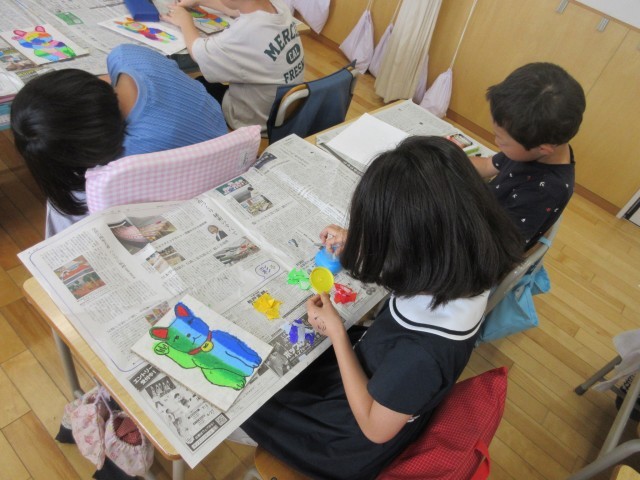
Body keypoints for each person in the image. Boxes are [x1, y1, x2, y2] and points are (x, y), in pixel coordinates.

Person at [240, 136, 524, 479]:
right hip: (378, 370)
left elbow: (375, 428)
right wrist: (360, 240)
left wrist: (337, 334)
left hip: (347, 437)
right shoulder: (463, 265)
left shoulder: (422, 354)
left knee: (249, 398)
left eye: (381, 237)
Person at [11, 43, 228, 237]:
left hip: (192, 187)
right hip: (221, 142)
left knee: (67, 200)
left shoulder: (132, 156)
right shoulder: (126, 54)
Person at [470, 62, 586, 249]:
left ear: (544, 148)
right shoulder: (532, 148)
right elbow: (487, 165)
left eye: (502, 140)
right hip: (482, 214)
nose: (496, 141)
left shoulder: (544, 192)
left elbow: (498, 247)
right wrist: (446, 162)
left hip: (487, 242)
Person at [162, 0, 305, 133]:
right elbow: (237, 9)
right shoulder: (278, 7)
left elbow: (198, 52)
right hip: (283, 111)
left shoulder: (245, 33)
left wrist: (185, 21)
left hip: (252, 121)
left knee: (192, 87)